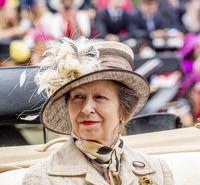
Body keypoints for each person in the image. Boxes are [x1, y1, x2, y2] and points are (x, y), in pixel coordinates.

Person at [22, 37, 174, 184]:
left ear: (123, 111)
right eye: (78, 97)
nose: (87, 109)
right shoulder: (41, 178)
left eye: (100, 97)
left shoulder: (157, 171)